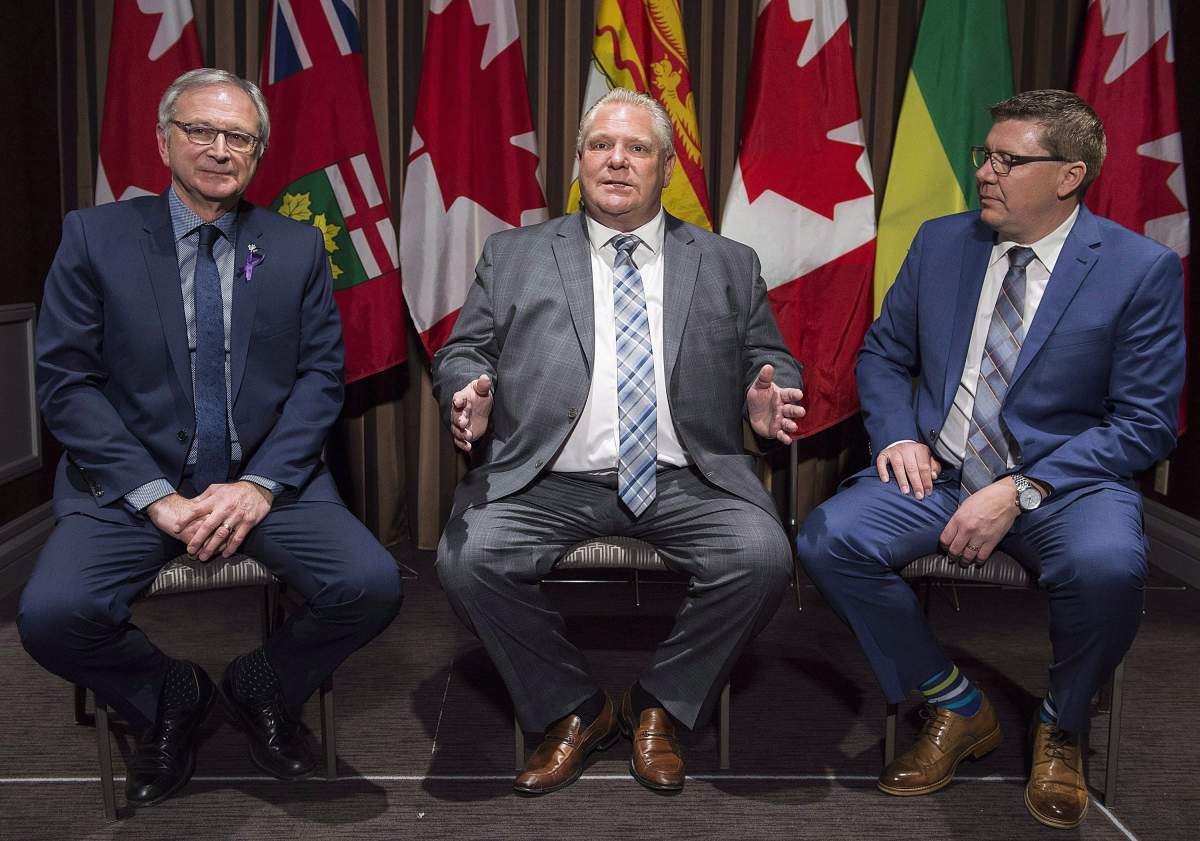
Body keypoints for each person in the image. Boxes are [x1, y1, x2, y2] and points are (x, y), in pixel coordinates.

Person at [797, 90, 1184, 829]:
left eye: (1009, 160)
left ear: (1069, 176)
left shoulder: (1140, 269)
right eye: (986, 155)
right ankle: (955, 704)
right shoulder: (942, 243)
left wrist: (1021, 488)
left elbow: (1144, 423)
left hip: (1065, 483)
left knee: (1107, 567)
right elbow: (884, 355)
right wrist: (898, 436)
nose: (985, 172)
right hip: (940, 472)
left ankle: (1062, 723)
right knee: (828, 538)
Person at [18, 68, 402, 807]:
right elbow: (66, 383)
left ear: (257, 153)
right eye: (201, 130)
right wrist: (154, 495)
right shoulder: (94, 237)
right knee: (52, 617)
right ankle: (169, 693)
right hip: (129, 486)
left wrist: (259, 485)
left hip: (266, 479)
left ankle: (263, 681)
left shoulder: (296, 245)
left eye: (240, 137)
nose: (220, 149)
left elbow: (321, 377)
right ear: (164, 141)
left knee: (371, 585)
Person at [433, 88, 804, 795]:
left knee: (761, 557)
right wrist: (466, 389)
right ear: (579, 161)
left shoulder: (728, 261)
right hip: (548, 478)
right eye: (601, 145)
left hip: (687, 477)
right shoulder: (514, 254)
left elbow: (769, 356)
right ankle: (575, 707)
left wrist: (768, 394)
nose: (617, 160)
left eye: (637, 148)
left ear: (666, 167)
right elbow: (465, 351)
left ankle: (659, 704)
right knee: (468, 558)